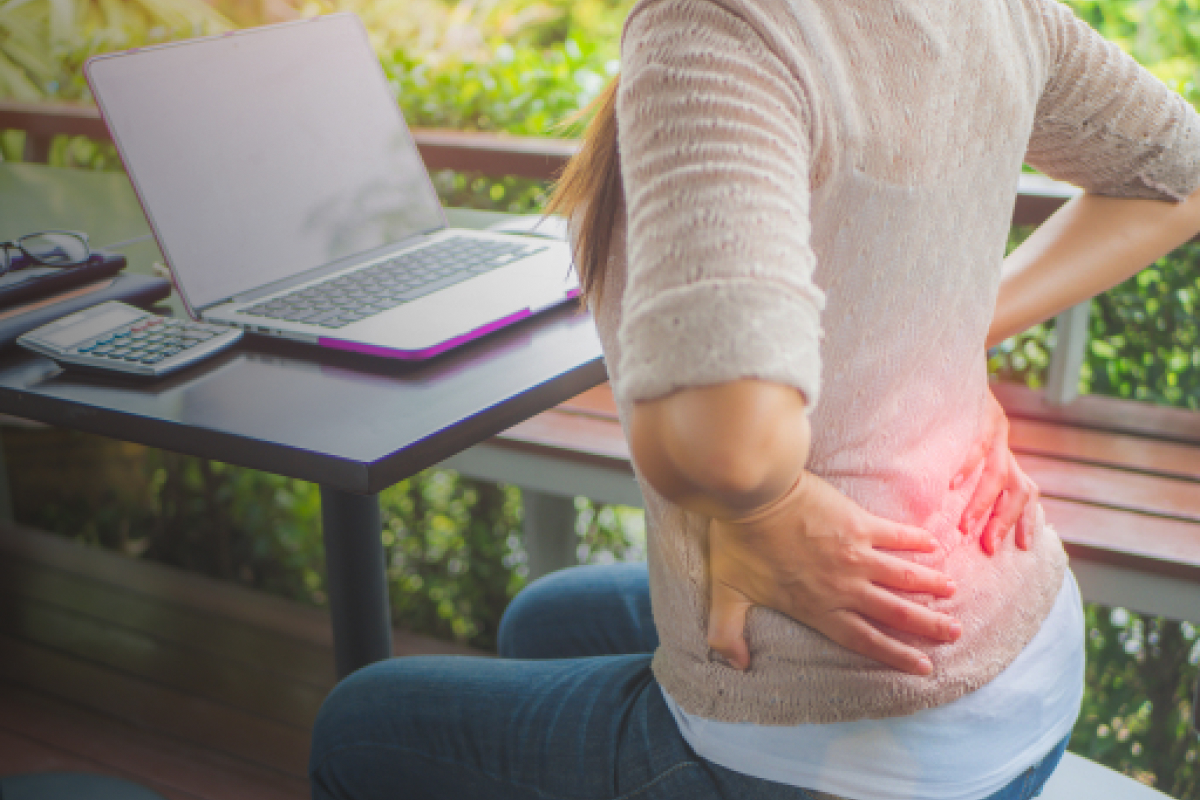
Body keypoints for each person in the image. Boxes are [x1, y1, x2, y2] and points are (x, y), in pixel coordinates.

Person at [309, 0, 1200, 797]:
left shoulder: (714, 29)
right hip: (1027, 661)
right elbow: (1181, 176)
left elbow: (728, 447)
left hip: (864, 741)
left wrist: (768, 503)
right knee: (542, 617)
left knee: (356, 724)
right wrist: (949, 337)